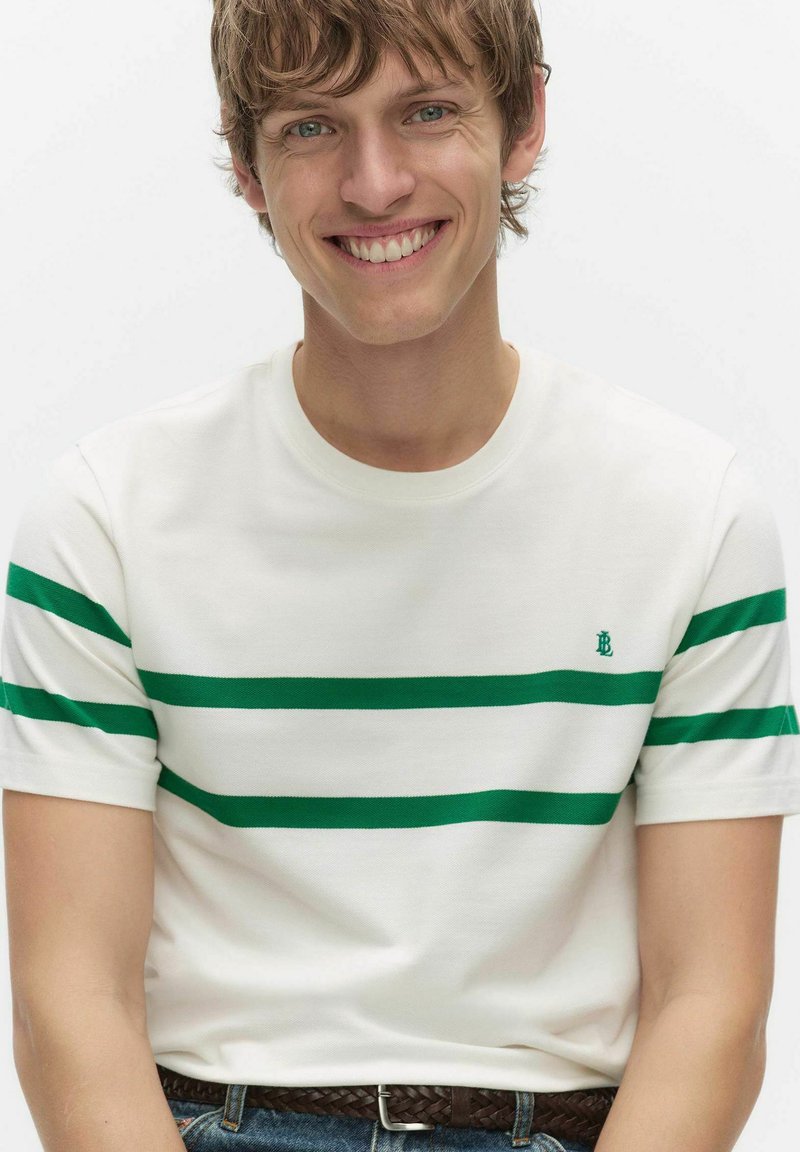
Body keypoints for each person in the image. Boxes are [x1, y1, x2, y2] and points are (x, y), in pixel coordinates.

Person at [2, 1, 799, 1150]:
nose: (374, 184)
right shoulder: (103, 522)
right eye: (311, 127)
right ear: (244, 163)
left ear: (523, 119)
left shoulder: (691, 517)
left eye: (425, 113)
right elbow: (69, 1008)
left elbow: (709, 1006)